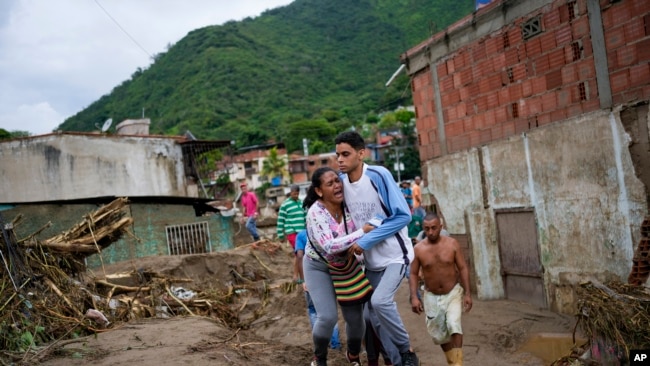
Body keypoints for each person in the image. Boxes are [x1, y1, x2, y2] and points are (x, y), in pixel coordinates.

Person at [335, 131, 419, 366]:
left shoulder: (378, 175)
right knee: (372, 316)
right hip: (370, 261)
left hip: (395, 255)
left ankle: (407, 351)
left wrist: (365, 241)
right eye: (337, 155)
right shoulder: (341, 183)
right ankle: (397, 361)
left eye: (345, 154)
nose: (340, 160)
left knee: (380, 302)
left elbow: (403, 216)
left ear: (361, 154)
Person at [302, 167, 376, 366]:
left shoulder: (349, 205)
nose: (337, 186)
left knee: (356, 319)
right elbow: (329, 245)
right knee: (327, 317)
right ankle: (320, 358)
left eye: (337, 180)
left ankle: (353, 355)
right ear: (319, 191)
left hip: (346, 265)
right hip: (318, 266)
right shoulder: (315, 213)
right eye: (330, 183)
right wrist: (361, 232)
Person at [409, 213, 472, 366]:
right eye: (427, 229)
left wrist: (468, 294)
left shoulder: (452, 244)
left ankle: (458, 364)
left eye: (434, 228)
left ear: (441, 227)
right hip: (431, 295)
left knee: (453, 324)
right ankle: (453, 362)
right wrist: (414, 297)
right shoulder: (419, 249)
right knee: (440, 335)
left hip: (453, 292)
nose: (430, 232)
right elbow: (413, 273)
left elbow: (463, 268)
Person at [294, 229, 341, 351]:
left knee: (314, 311)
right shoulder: (328, 232)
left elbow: (299, 256)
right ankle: (335, 345)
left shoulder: (302, 235)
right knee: (330, 311)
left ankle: (321, 346)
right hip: (331, 274)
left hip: (313, 277)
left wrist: (304, 279)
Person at [276, 184, 306, 281]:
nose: (295, 195)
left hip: (302, 233)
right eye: (293, 193)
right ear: (290, 192)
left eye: (297, 194)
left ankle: (300, 275)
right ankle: (296, 276)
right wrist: (280, 234)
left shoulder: (301, 203)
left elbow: (305, 218)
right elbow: (281, 220)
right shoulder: (285, 205)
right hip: (292, 232)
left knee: (303, 254)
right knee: (299, 253)